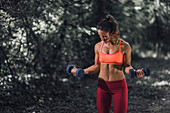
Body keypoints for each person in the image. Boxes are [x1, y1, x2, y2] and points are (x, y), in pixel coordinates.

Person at [71, 14, 145, 113]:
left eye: (105, 36)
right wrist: (83, 71)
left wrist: (134, 72)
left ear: (112, 32)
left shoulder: (124, 46)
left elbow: (127, 66)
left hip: (119, 86)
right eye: (100, 36)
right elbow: (97, 66)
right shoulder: (98, 46)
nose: (102, 39)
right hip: (102, 86)